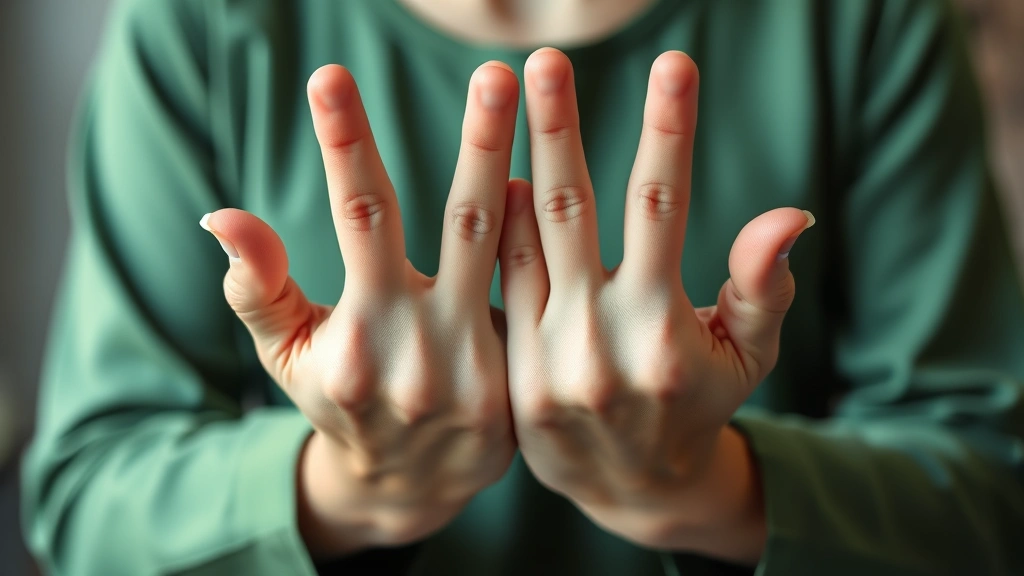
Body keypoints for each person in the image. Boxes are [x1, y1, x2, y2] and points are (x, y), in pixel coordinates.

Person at [21, 0, 1024, 574]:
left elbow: (988, 491)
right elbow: (89, 501)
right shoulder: (201, 23)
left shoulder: (866, 21)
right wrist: (354, 486)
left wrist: (698, 484)